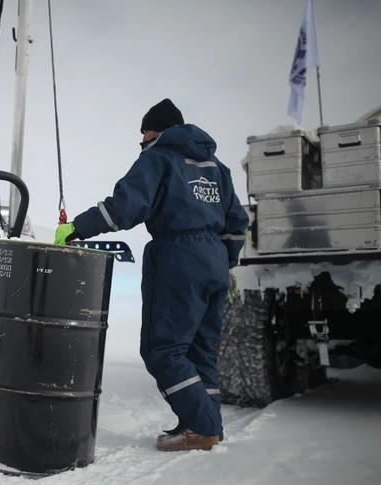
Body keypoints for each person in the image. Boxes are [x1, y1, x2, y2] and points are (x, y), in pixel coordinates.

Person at [54, 98, 249, 451]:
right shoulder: (218, 168)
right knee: (200, 351)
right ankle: (203, 423)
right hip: (216, 264)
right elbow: (237, 222)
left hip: (178, 258)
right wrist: (225, 261)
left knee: (163, 351)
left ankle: (203, 428)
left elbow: (124, 207)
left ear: (156, 131)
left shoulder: (158, 157)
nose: (141, 140)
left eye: (144, 133)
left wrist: (76, 228)